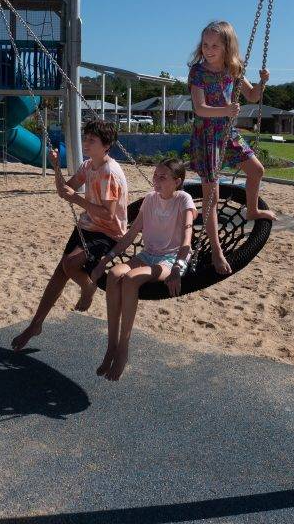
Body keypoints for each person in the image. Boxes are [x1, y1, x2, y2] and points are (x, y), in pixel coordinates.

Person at [11, 119, 128, 351]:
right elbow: (65, 192)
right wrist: (56, 167)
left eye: (92, 140)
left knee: (70, 264)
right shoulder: (88, 166)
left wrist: (77, 198)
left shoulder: (110, 173)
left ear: (106, 145)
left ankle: (88, 288)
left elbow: (108, 214)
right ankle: (36, 324)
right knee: (59, 273)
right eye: (85, 138)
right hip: (87, 226)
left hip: (109, 232)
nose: (86, 142)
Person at [89, 157, 196, 381]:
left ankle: (123, 349)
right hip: (148, 255)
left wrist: (178, 267)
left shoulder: (184, 200)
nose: (156, 180)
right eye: (155, 175)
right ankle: (111, 345)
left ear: (177, 181)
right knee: (114, 274)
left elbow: (187, 237)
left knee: (130, 279)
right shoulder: (149, 199)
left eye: (163, 177)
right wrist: (105, 260)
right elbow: (130, 235)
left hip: (171, 260)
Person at [188, 20, 276, 274]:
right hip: (206, 136)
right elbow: (199, 108)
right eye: (205, 44)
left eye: (215, 45)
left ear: (227, 46)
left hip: (228, 133)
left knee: (256, 170)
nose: (208, 49)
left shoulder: (234, 68)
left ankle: (252, 209)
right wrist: (226, 110)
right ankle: (216, 250)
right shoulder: (198, 72)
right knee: (212, 197)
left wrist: (262, 83)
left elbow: (252, 96)